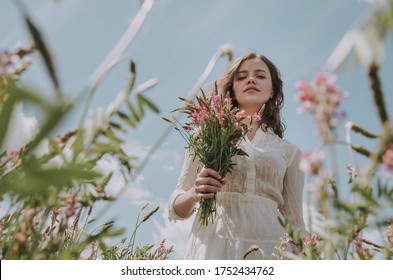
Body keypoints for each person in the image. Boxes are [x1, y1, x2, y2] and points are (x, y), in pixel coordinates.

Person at [168, 52, 307, 259]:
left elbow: (295, 222)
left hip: (272, 249)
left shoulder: (289, 151)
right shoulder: (206, 135)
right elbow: (176, 208)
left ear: (272, 91)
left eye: (260, 76)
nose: (251, 79)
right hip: (214, 245)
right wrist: (194, 193)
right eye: (241, 77)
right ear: (232, 89)